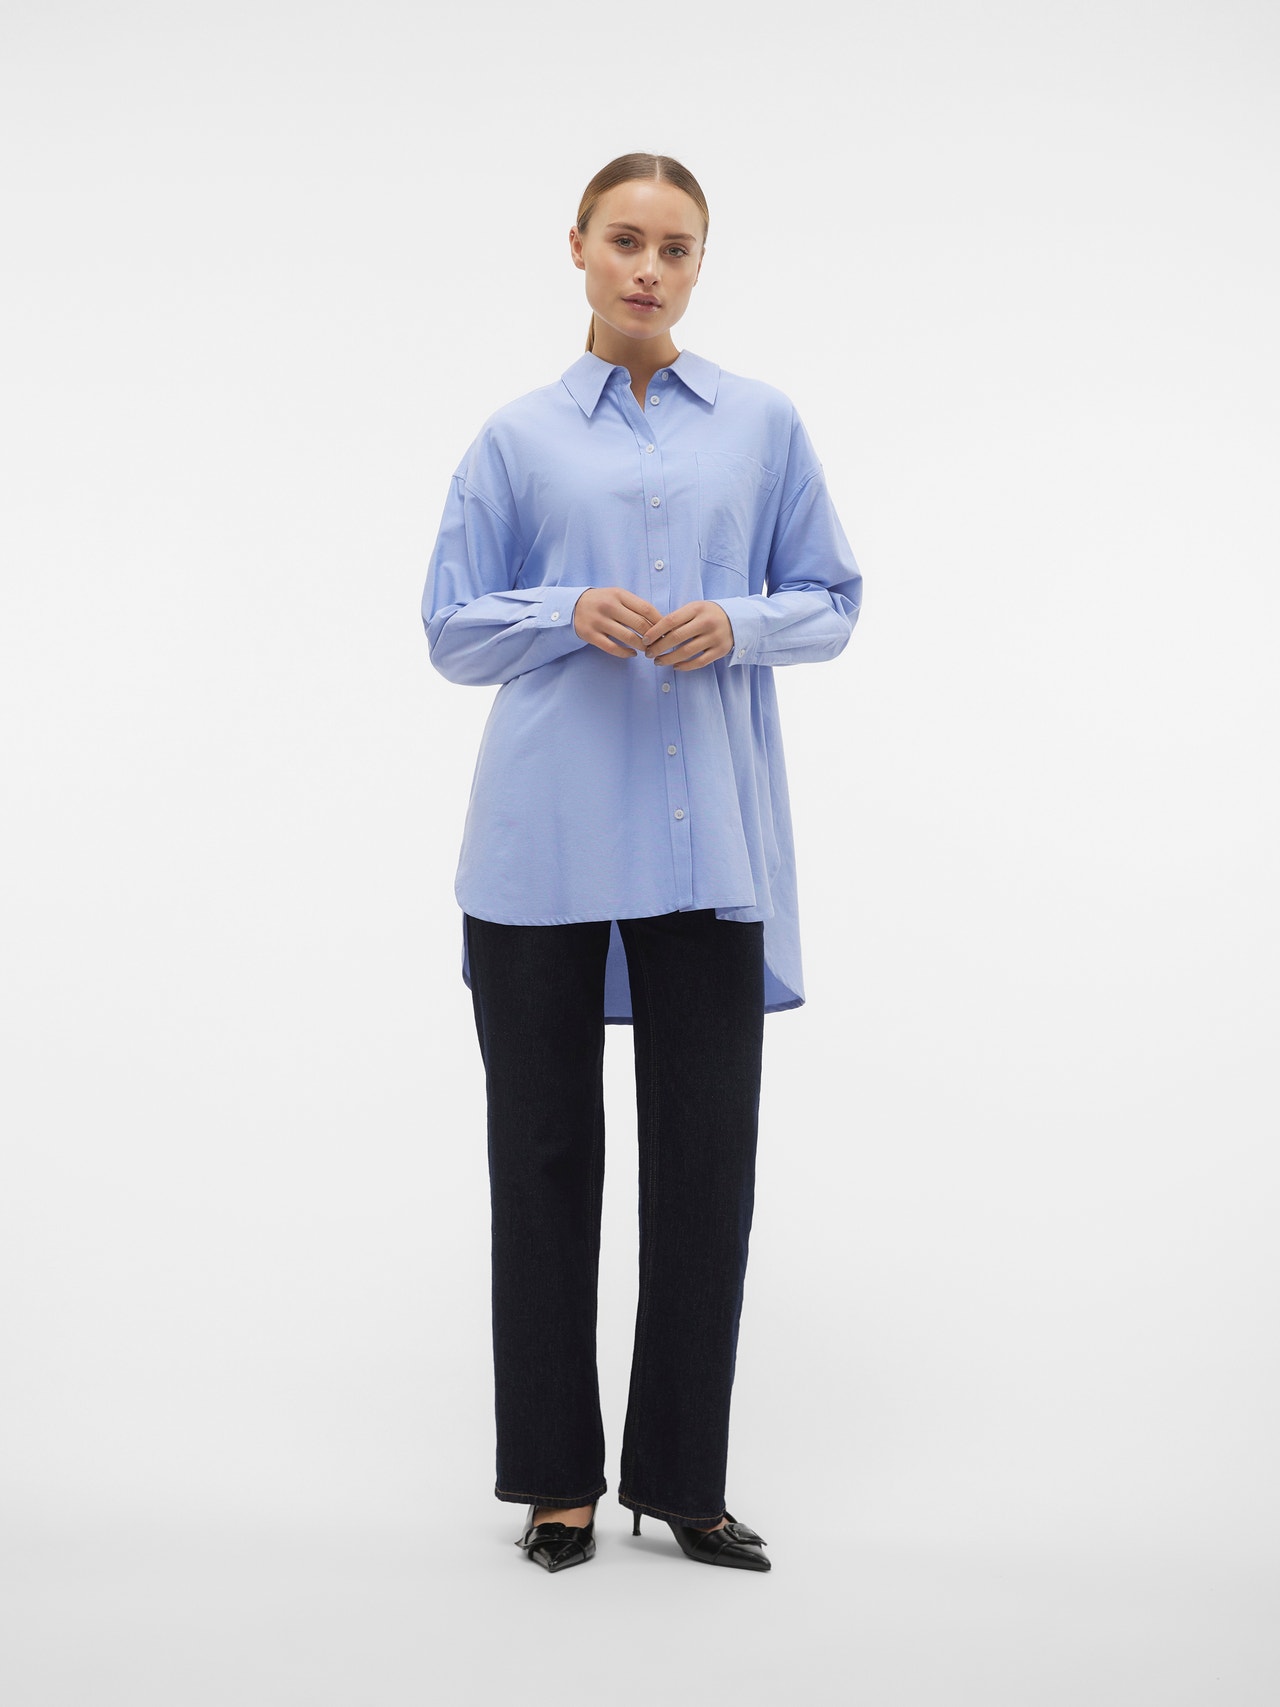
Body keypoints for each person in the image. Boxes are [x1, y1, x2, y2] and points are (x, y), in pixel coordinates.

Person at [420, 151, 863, 1573]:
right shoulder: (517, 438)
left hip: (706, 847)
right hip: (541, 846)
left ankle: (683, 1483)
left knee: (704, 1167)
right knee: (543, 1158)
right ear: (578, 248)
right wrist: (564, 610)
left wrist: (740, 624)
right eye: (625, 241)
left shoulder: (762, 426)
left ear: (699, 264)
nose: (649, 270)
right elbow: (448, 631)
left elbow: (833, 598)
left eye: (676, 248)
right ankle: (556, 1483)